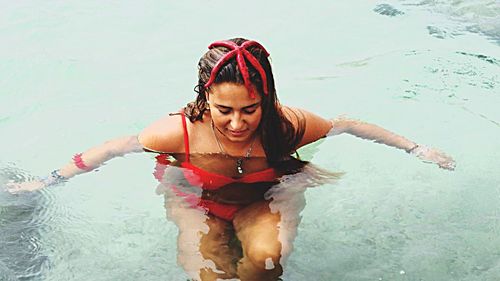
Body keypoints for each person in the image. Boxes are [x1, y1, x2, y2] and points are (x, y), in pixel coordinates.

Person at [7, 38, 455, 281]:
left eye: (250, 109)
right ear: (206, 98)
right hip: (195, 201)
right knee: (208, 272)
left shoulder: (288, 124)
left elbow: (349, 124)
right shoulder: (176, 130)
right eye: (225, 110)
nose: (238, 123)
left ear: (266, 99)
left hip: (266, 196)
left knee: (263, 267)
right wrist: (47, 182)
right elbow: (108, 149)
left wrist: (417, 149)